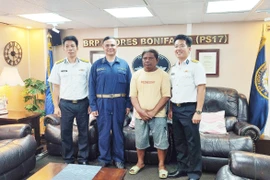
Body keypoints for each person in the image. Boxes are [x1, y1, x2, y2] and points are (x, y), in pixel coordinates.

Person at [89, 36, 132, 169]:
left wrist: (128, 105)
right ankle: (104, 158)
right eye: (107, 45)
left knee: (118, 132)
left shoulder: (124, 64)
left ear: (117, 46)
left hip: (119, 102)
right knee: (104, 132)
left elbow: (130, 87)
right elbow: (91, 86)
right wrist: (93, 105)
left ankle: (119, 159)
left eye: (112, 45)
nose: (110, 47)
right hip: (102, 103)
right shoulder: (97, 65)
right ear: (103, 47)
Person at [48, 35, 91, 165]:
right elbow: (56, 88)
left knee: (84, 133)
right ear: (64, 49)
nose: (70, 48)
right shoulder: (58, 65)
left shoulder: (86, 64)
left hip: (83, 103)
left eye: (72, 46)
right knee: (65, 133)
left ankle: (83, 159)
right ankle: (68, 159)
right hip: (65, 104)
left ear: (77, 48)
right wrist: (56, 106)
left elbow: (91, 86)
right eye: (67, 46)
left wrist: (91, 104)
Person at [168, 34, 206, 180]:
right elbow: (173, 91)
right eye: (176, 46)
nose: (178, 49)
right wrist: (171, 109)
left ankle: (195, 173)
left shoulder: (196, 66)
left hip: (190, 109)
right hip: (176, 109)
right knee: (179, 142)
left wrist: (198, 111)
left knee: (192, 142)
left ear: (189, 48)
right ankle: (182, 168)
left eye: (182, 45)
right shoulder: (173, 68)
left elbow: (201, 89)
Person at [129, 49, 171, 179]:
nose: (147, 60)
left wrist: (153, 112)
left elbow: (166, 96)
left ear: (157, 60)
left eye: (150, 58)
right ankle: (140, 163)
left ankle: (161, 165)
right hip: (140, 115)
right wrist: (141, 111)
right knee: (140, 141)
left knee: (161, 141)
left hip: (158, 115)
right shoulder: (136, 75)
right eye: (145, 58)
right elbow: (133, 96)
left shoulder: (163, 75)